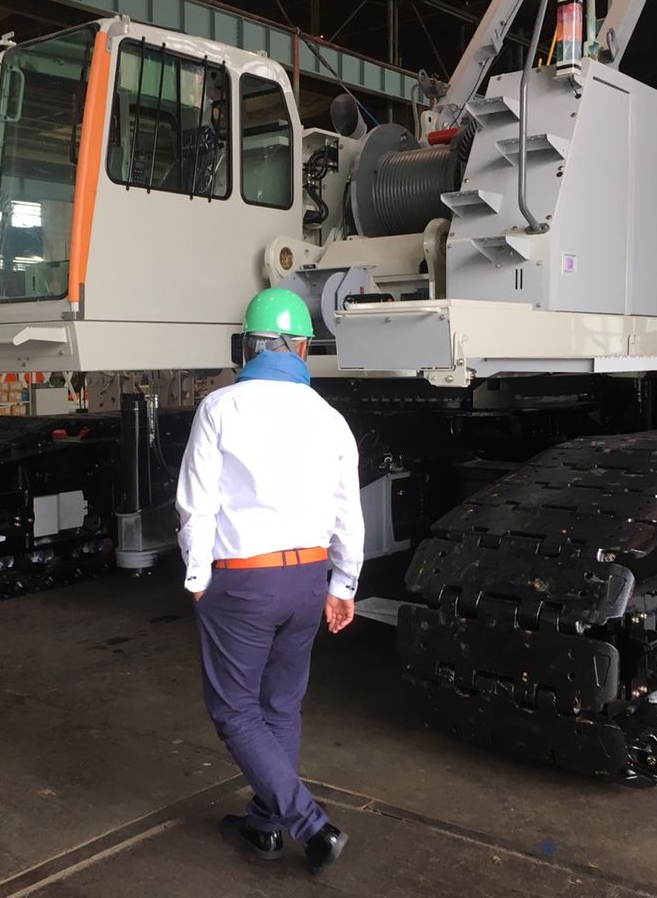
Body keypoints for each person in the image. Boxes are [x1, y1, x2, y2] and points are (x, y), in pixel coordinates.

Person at [176, 288, 365, 876]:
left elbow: (196, 504)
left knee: (234, 710)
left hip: (244, 581)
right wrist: (343, 584)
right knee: (280, 707)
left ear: (248, 346)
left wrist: (197, 576)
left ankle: (312, 827)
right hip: (308, 579)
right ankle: (264, 826)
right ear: (304, 346)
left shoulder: (220, 408)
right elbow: (347, 511)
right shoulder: (330, 418)